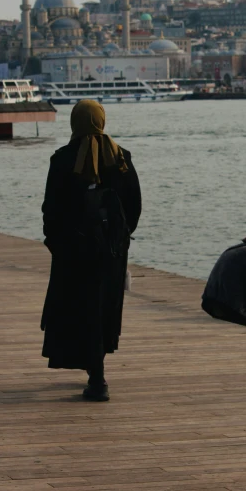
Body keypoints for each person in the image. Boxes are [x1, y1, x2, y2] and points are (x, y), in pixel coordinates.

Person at [40, 100, 142, 401]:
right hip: (110, 250)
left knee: (79, 308)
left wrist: (56, 244)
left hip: (73, 250)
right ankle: (96, 371)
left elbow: (51, 209)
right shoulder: (121, 158)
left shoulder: (62, 159)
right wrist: (119, 241)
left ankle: (96, 378)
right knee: (103, 309)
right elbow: (133, 206)